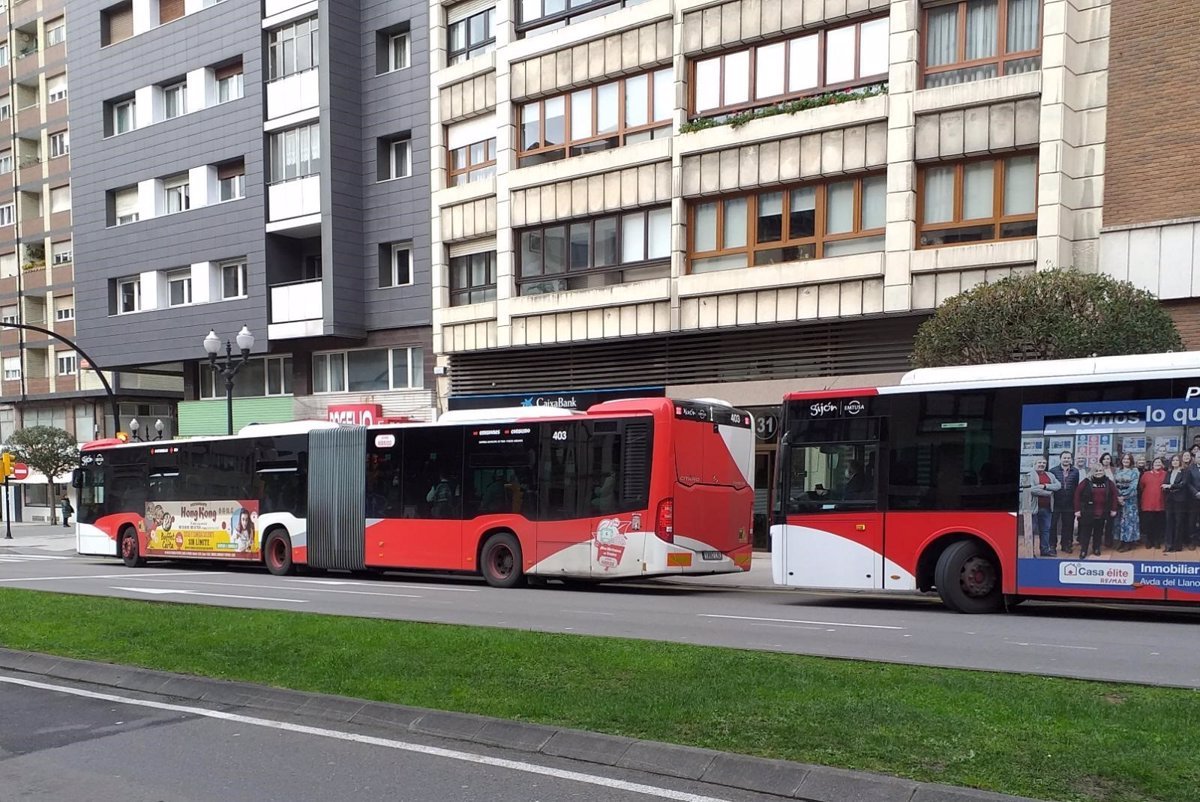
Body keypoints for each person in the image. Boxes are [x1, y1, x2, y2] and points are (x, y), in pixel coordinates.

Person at [1074, 463, 1117, 559]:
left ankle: (1096, 548)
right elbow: (1077, 495)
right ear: (1092, 472)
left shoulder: (1108, 482)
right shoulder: (1086, 482)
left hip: (1102, 511)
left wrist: (1113, 509)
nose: (1098, 473)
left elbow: (1114, 495)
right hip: (1088, 511)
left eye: (1100, 471)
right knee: (1086, 532)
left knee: (1098, 531)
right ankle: (1084, 550)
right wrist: (1077, 510)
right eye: (1096, 471)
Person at [1027, 458, 1061, 557]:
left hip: (1047, 508)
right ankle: (1031, 552)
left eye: (1044, 463)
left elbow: (1058, 485)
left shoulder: (1050, 475)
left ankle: (1045, 550)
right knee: (1032, 530)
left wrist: (1044, 486)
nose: (1042, 464)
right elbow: (1031, 490)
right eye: (1039, 462)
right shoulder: (1030, 475)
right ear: (1034, 464)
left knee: (1046, 530)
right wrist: (1048, 492)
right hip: (1033, 508)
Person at [1049, 451, 1079, 554]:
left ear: (1071, 459)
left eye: (1068, 458)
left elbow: (1076, 487)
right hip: (1056, 502)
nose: (1066, 460)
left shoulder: (1075, 471)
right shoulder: (1053, 471)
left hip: (1069, 503)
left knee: (1068, 525)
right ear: (1060, 459)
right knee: (1053, 525)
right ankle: (1052, 545)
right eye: (1064, 458)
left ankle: (1066, 545)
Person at [1113, 453, 1141, 552]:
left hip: (1130, 499)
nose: (1126, 461)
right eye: (1124, 459)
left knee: (1129, 521)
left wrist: (1123, 496)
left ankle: (1128, 542)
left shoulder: (1134, 471)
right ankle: (1121, 540)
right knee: (1119, 521)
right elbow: (1114, 484)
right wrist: (1117, 496)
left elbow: (1133, 486)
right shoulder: (1117, 470)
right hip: (1118, 499)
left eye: (1128, 459)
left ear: (1131, 461)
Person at [1138, 457, 1167, 550]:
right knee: (1148, 523)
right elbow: (1141, 486)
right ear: (1152, 464)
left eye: (1159, 462)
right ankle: (1149, 540)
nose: (1157, 464)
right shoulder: (1146, 474)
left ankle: (1157, 541)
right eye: (1156, 462)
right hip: (1148, 502)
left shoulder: (1166, 474)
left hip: (1160, 502)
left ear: (1162, 464)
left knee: (1158, 523)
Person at [1164, 455, 1189, 553]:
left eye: (1177, 460)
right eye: (1173, 460)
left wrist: (1170, 486)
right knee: (1169, 522)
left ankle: (1177, 545)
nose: (1175, 462)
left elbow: (1183, 484)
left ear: (1180, 462)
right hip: (1170, 500)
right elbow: (1164, 483)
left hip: (1180, 500)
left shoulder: (1184, 472)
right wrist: (1168, 486)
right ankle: (1168, 545)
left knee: (1178, 523)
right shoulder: (1169, 472)